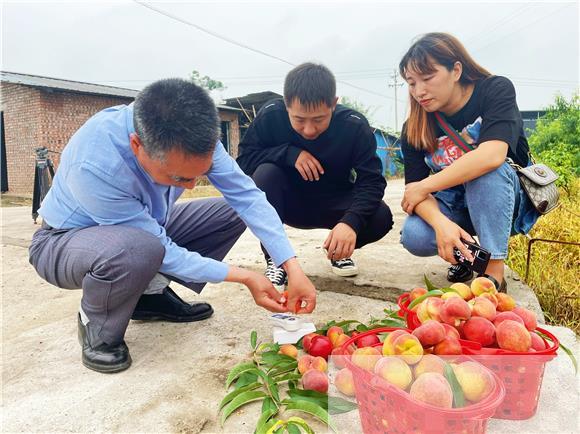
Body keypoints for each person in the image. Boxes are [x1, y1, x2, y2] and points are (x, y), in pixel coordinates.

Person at [28, 78, 317, 373]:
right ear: (137, 146)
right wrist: (246, 277)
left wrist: (291, 265)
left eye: (199, 175)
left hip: (146, 230)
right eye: (179, 178)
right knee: (139, 248)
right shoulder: (95, 164)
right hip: (63, 242)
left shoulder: (192, 135)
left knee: (230, 211)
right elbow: (160, 249)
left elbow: (247, 196)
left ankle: (149, 297)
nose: (190, 187)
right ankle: (96, 327)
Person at [398, 32, 539, 292]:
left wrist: (426, 185)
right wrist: (442, 225)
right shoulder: (415, 127)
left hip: (506, 199)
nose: (419, 91)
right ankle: (470, 256)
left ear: (456, 70)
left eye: (428, 78)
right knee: (415, 235)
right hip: (457, 203)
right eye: (411, 83)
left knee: (484, 172)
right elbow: (414, 195)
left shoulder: (495, 90)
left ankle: (493, 276)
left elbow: (492, 155)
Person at [236, 63, 393, 289]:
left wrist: (350, 222)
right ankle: (276, 259)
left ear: (334, 104)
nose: (309, 130)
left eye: (319, 119)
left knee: (380, 216)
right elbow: (244, 161)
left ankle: (338, 251)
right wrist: (288, 153)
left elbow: (372, 180)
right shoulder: (271, 116)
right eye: (299, 119)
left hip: (334, 203)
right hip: (289, 202)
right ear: (287, 104)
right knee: (265, 174)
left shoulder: (353, 126)